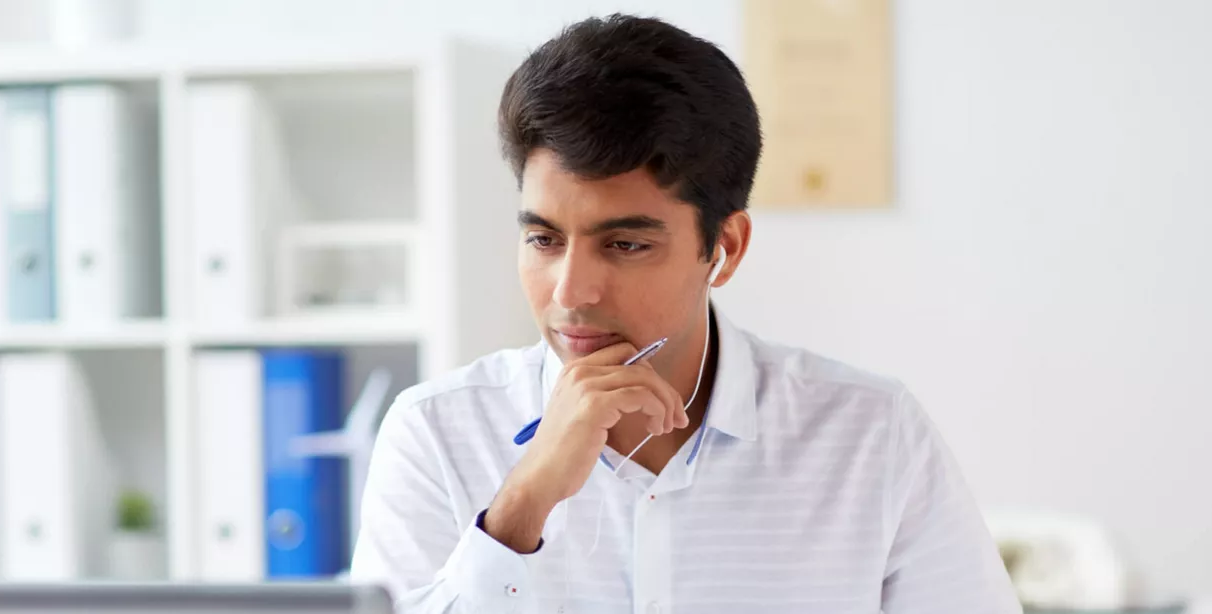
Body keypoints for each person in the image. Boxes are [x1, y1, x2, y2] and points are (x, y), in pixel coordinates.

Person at [350, 14, 1020, 614]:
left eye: (625, 244)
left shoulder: (871, 436)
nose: (571, 291)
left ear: (723, 249)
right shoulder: (435, 433)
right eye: (543, 239)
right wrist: (522, 505)